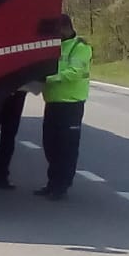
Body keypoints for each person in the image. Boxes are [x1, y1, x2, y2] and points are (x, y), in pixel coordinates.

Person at [36, 14, 93, 200]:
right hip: (52, 102)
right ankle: (52, 182)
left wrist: (49, 79)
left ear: (66, 28)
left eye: (57, 30)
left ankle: (62, 186)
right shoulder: (54, 46)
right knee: (50, 145)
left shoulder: (81, 47)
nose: (55, 34)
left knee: (66, 148)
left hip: (71, 103)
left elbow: (74, 73)